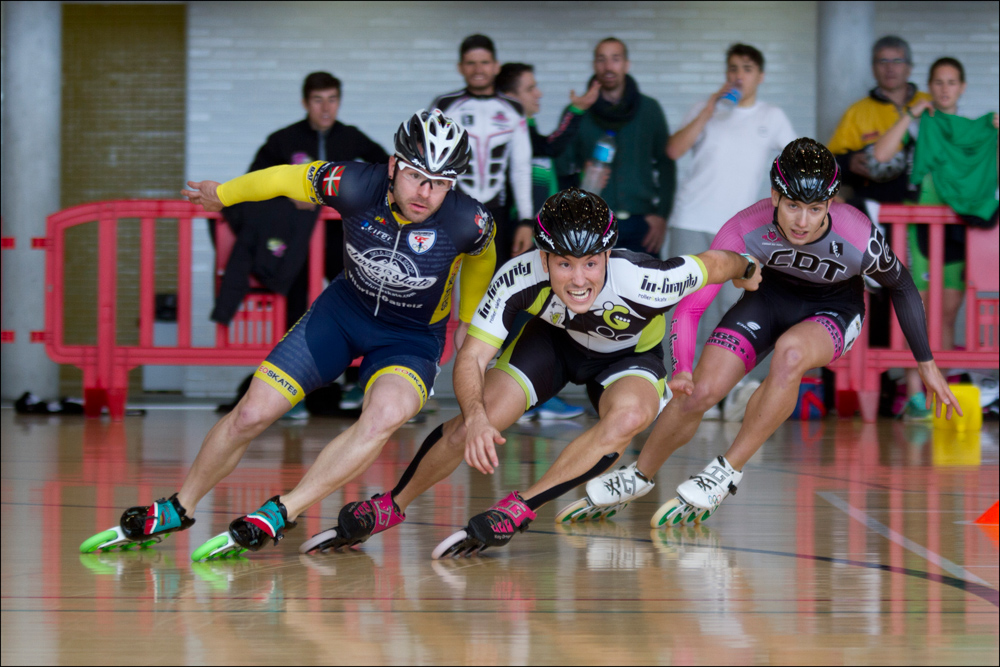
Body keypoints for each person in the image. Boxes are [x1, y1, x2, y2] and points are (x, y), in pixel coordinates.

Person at [79, 110, 497, 559]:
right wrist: (223, 194)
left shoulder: (468, 222)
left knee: (384, 416)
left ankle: (285, 510)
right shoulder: (354, 183)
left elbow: (481, 258)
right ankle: (179, 506)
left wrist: (470, 323)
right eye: (416, 176)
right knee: (251, 414)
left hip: (410, 338)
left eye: (441, 182)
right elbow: (282, 178)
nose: (425, 193)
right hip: (342, 314)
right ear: (395, 166)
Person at [295, 188, 758, 557]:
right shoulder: (516, 275)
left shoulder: (645, 278)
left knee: (628, 419)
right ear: (542, 257)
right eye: (563, 264)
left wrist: (749, 267)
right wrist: (474, 416)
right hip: (553, 343)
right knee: (479, 418)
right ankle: (391, 505)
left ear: (608, 254)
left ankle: (519, 508)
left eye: (591, 263)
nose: (579, 279)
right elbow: (473, 357)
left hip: (628, 357)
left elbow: (717, 264)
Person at [558, 139, 960, 528]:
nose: (802, 221)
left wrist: (926, 364)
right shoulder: (744, 227)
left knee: (790, 353)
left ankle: (726, 471)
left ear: (831, 203)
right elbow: (693, 302)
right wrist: (681, 367)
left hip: (833, 310)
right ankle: (639, 475)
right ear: (774, 196)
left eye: (815, 209)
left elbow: (903, 286)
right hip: (768, 300)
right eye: (792, 206)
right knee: (698, 390)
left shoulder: (857, 234)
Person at [213, 71, 388, 414]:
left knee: (356, 299)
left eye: (332, 100)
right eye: (318, 100)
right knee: (296, 304)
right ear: (305, 102)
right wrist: (290, 198)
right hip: (297, 244)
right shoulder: (283, 140)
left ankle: (356, 383)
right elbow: (253, 184)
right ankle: (290, 392)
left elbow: (386, 175)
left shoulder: (352, 139)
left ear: (340, 101)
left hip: (341, 241)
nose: (326, 108)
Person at [664, 43, 796, 419]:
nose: (739, 74)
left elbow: (795, 160)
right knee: (687, 307)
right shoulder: (708, 110)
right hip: (690, 219)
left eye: (748, 68)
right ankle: (682, 389)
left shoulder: (771, 116)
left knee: (731, 310)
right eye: (733, 67)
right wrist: (709, 107)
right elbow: (674, 150)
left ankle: (728, 390)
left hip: (737, 228)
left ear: (761, 76)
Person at [873, 57, 1000, 419]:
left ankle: (937, 397)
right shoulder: (921, 125)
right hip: (923, 231)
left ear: (962, 87)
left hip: (963, 229)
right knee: (919, 311)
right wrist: (910, 114)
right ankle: (916, 398)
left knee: (946, 316)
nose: (945, 89)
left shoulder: (980, 130)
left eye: (951, 82)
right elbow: (881, 154)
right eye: (939, 82)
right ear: (931, 86)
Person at [494, 62, 600, 421]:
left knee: (536, 312)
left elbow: (545, 163)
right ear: (510, 97)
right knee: (522, 313)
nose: (538, 94)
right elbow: (550, 147)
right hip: (516, 234)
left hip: (537, 235)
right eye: (530, 88)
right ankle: (519, 394)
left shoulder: (527, 125)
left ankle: (532, 394)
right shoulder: (510, 128)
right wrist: (575, 112)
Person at [556, 37, 675, 255]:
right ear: (594, 65)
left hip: (642, 224)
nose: (608, 66)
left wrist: (661, 216)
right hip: (591, 222)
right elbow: (559, 166)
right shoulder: (578, 111)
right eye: (601, 59)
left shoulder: (649, 109)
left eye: (615, 59)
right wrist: (581, 178)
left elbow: (667, 164)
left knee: (646, 288)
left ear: (626, 64)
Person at [432, 34, 533, 267]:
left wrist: (526, 221)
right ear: (460, 67)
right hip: (451, 211)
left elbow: (521, 168)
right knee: (444, 284)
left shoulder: (513, 108)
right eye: (470, 63)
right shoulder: (445, 105)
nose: (478, 69)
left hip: (498, 214)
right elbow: (432, 162)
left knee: (495, 285)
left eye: (485, 62)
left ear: (496, 66)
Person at [827, 36, 932, 208]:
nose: (889, 68)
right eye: (882, 61)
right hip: (876, 210)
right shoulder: (857, 112)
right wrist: (849, 163)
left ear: (909, 68)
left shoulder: (929, 104)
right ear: (873, 68)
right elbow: (831, 166)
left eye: (897, 61)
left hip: (928, 207)